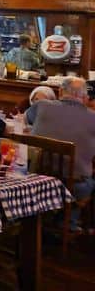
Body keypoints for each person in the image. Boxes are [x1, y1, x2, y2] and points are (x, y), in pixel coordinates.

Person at [31, 76, 95, 231]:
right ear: (85, 97)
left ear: (59, 91)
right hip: (74, 184)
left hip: (37, 178)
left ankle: (48, 221)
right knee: (87, 180)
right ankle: (68, 223)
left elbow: (25, 120)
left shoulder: (41, 105)